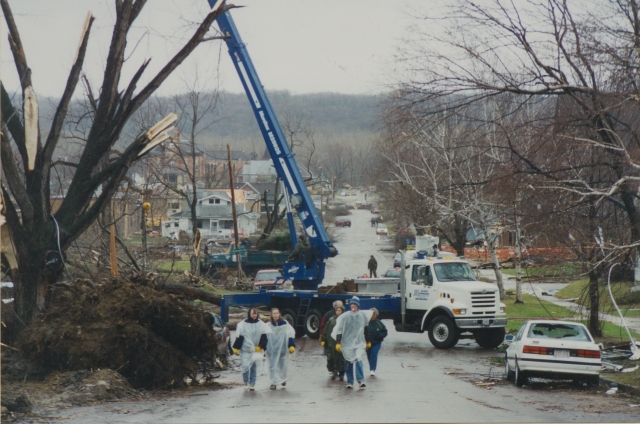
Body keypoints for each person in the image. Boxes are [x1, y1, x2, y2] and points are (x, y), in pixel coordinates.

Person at [331, 296, 373, 390]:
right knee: (348, 361)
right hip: (347, 343)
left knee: (358, 359)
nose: (353, 306)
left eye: (355, 304)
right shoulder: (345, 316)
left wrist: (368, 340)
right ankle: (350, 381)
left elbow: (366, 329)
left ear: (358, 306)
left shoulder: (362, 316)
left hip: (359, 342)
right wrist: (338, 342)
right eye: (352, 304)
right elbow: (340, 329)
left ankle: (361, 380)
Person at [233, 308, 271, 391]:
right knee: (246, 366)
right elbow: (240, 336)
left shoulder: (261, 324)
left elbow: (264, 337)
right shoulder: (242, 324)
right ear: (249, 314)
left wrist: (261, 346)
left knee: (253, 367)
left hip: (255, 349)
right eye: (253, 313)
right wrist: (236, 347)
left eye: (255, 314)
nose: (254, 315)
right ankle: (246, 381)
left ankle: (252, 383)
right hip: (245, 349)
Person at [266, 308, 296, 390]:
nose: (275, 315)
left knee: (283, 365)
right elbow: (264, 337)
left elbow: (290, 334)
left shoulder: (285, 324)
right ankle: (274, 382)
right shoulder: (268, 326)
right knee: (272, 366)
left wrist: (291, 345)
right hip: (272, 350)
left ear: (279, 314)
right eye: (274, 313)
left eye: (277, 313)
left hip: (283, 349)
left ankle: (282, 379)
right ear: (271, 315)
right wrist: (262, 346)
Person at [319, 300, 345, 376]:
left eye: (340, 309)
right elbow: (325, 328)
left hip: (341, 342)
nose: (338, 311)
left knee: (340, 357)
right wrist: (323, 338)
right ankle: (332, 369)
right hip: (331, 341)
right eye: (337, 309)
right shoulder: (330, 318)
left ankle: (341, 371)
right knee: (330, 356)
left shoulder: (345, 318)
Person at [366, 308, 387, 376]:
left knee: (374, 354)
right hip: (367, 343)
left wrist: (380, 336)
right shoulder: (366, 322)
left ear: (376, 314)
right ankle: (371, 366)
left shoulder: (379, 323)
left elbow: (385, 332)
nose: (373, 315)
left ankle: (372, 369)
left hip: (376, 343)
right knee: (369, 355)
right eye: (371, 314)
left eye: (374, 314)